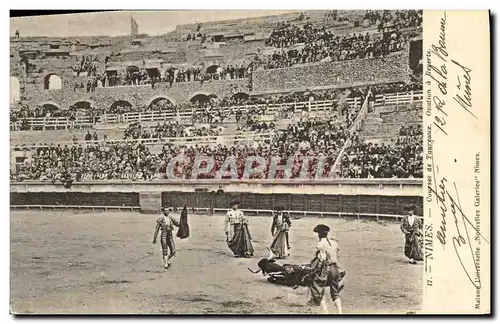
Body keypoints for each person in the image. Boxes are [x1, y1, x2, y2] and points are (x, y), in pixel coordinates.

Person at [307, 224, 343, 314]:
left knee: (317, 289)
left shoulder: (320, 244)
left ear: (319, 234)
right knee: (335, 293)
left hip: (326, 270)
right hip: (335, 269)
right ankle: (340, 313)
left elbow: (321, 259)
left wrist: (315, 271)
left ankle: (326, 313)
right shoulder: (334, 243)